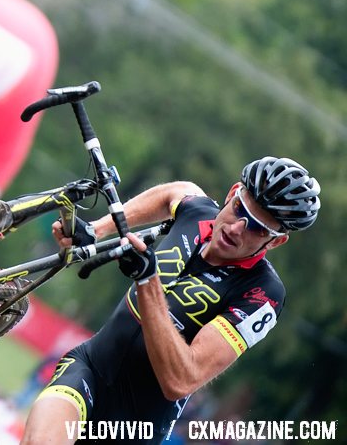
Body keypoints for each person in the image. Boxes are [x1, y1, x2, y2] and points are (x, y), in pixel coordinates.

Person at [21, 156, 320, 444]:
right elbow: (175, 192)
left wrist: (148, 281)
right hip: (89, 368)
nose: (236, 228)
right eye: (240, 209)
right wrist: (98, 229)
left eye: (257, 227)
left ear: (276, 240)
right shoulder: (198, 213)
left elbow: (181, 380)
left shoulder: (262, 293)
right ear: (232, 193)